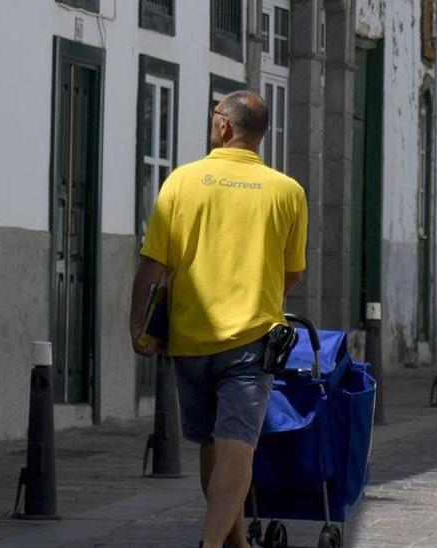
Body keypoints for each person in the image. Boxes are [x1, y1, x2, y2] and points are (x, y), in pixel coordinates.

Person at [129, 91, 308, 548]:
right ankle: (224, 544)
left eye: (214, 115)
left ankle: (221, 544)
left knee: (214, 444)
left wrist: (138, 326)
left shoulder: (181, 183)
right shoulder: (288, 192)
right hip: (251, 338)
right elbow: (291, 273)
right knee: (236, 446)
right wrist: (255, 298)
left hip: (189, 339)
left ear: (225, 127)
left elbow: (152, 265)